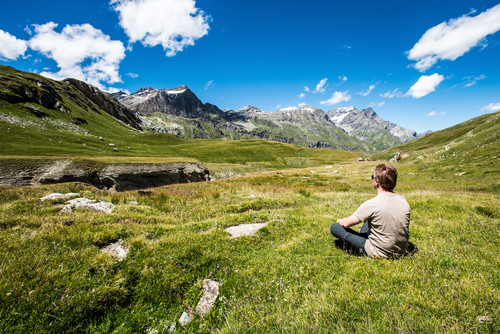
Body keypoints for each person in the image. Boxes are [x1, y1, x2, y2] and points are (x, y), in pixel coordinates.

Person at [330, 164, 411, 258]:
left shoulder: (373, 203)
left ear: (377, 182)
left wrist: (340, 221)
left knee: (335, 227)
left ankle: (361, 245)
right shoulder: (403, 201)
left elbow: (346, 223)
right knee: (367, 222)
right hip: (401, 250)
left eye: (373, 177)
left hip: (379, 251)